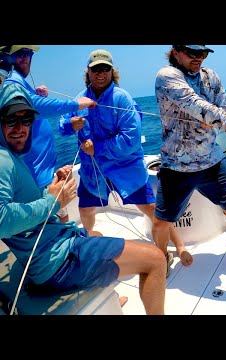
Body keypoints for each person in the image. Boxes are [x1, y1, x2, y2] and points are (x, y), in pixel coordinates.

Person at [0, 85, 167, 315]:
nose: (20, 128)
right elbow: (2, 220)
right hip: (56, 262)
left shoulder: (11, 156)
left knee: (95, 234)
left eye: (26, 119)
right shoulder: (3, 160)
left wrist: (49, 190)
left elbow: (18, 203)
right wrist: (52, 202)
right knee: (156, 260)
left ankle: (111, 298)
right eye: (11, 120)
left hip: (52, 249)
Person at [58, 49, 191, 275]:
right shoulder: (79, 99)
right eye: (96, 69)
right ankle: (88, 244)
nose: (100, 73)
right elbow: (61, 126)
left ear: (112, 72)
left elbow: (130, 140)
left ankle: (177, 246)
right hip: (93, 172)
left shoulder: (122, 98)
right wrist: (71, 124)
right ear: (88, 72)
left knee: (152, 209)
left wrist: (97, 148)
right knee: (86, 209)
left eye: (105, 69)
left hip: (125, 168)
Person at [152, 45, 226, 276]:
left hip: (212, 161)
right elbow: (194, 103)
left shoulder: (211, 77)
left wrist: (213, 116)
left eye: (202, 53)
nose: (198, 58)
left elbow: (223, 108)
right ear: (176, 52)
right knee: (162, 222)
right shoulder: (167, 76)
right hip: (176, 166)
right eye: (191, 53)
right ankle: (162, 257)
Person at [3, 45, 97, 223]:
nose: (24, 58)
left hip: (43, 172)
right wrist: (76, 104)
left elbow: (34, 106)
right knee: (52, 221)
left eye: (27, 54)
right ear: (8, 57)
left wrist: (37, 95)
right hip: (35, 176)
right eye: (18, 54)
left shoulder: (19, 83)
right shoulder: (11, 81)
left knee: (60, 214)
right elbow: (36, 106)